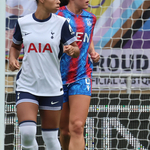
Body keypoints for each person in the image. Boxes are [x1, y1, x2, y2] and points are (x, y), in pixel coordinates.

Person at [9, 0, 80, 149]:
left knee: (50, 139)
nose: (58, 1)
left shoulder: (62, 23)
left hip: (51, 87)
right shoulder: (23, 22)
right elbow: (15, 46)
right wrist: (12, 58)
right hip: (27, 85)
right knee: (27, 133)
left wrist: (72, 51)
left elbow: (76, 50)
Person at [56, 0, 100, 150]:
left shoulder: (91, 18)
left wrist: (92, 52)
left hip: (82, 75)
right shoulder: (57, 14)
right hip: (57, 78)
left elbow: (88, 38)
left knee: (77, 127)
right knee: (66, 131)